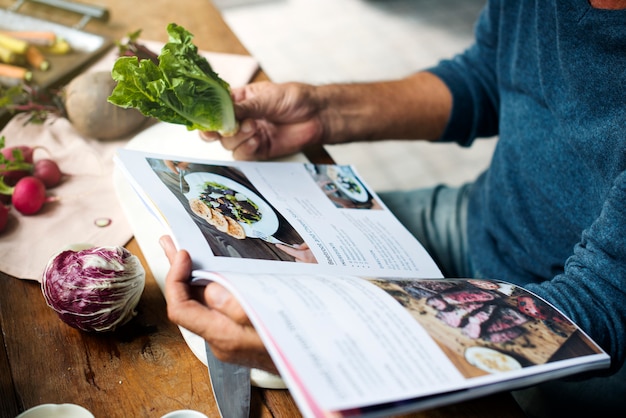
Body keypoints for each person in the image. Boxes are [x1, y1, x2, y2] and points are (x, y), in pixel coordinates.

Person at [161, 0, 626, 415]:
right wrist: (319, 113)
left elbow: (602, 303)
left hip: (577, 329)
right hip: (479, 219)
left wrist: (324, 345)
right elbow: (490, 74)